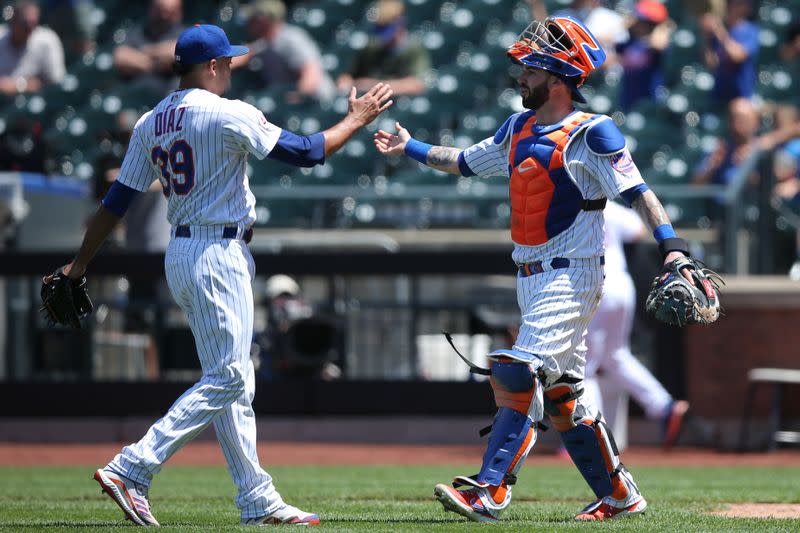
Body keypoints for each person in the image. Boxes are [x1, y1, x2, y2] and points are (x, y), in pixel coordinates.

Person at [47, 23, 392, 526]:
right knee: (230, 376)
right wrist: (356, 120)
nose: (231, 67)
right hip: (217, 252)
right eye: (226, 61)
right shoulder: (227, 113)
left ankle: (257, 498)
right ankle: (134, 467)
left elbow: (116, 200)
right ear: (210, 66)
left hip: (181, 252)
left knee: (233, 379)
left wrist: (79, 264)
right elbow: (308, 152)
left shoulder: (151, 121)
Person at [375, 15, 698, 522]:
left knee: (519, 369)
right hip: (531, 276)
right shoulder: (517, 125)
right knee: (564, 394)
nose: (519, 77)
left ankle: (490, 489)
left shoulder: (594, 132)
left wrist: (673, 248)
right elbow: (462, 161)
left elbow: (639, 193)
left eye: (528, 69)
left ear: (557, 74)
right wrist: (408, 147)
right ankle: (619, 495)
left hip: (573, 273)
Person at [583, 201, 689, 451]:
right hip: (621, 287)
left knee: (583, 367)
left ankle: (591, 436)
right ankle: (663, 406)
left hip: (593, 288)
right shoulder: (609, 207)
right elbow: (639, 230)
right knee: (616, 356)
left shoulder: (571, 203)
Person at [239, 0, 336, 102]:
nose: (248, 22)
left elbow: (312, 75)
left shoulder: (291, 39)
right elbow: (245, 53)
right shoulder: (266, 43)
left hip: (317, 102)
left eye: (252, 19)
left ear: (264, 20)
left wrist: (294, 98)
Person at [336, 0, 430, 96]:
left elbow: (418, 85)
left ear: (400, 23)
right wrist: (345, 83)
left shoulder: (414, 47)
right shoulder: (371, 46)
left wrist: (374, 86)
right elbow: (348, 76)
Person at [113, 0, 185, 93]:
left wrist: (144, 52)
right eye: (160, 11)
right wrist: (158, 64)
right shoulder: (137, 32)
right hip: (134, 93)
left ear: (179, 12)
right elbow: (120, 57)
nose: (164, 16)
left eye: (170, 12)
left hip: (168, 95)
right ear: (151, 9)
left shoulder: (185, 34)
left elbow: (176, 53)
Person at [616, 0, 674, 112]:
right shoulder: (629, 42)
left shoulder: (658, 47)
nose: (638, 25)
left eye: (644, 22)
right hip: (627, 99)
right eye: (638, 21)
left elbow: (660, 44)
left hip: (650, 101)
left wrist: (661, 27)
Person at [0, 0, 66, 96]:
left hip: (35, 99)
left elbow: (56, 82)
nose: (30, 28)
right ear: (13, 21)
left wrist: (20, 85)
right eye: (25, 24)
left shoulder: (47, 40)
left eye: (33, 23)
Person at [701, 0, 759, 106]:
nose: (732, 7)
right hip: (719, 95)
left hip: (741, 97)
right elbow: (711, 63)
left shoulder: (751, 30)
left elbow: (737, 55)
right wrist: (707, 36)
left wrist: (719, 31)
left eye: (738, 4)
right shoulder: (719, 32)